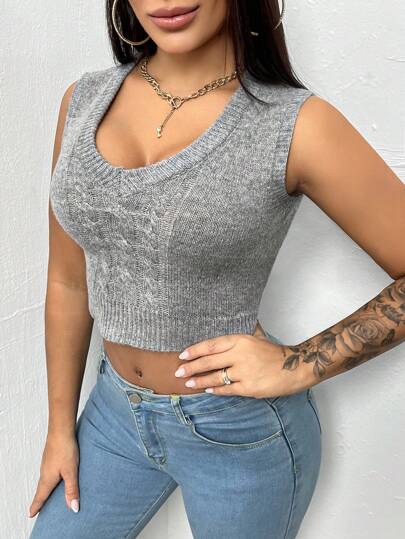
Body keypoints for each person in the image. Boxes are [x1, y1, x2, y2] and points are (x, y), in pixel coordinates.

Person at [28, 0, 405, 537]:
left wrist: (299, 365)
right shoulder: (83, 100)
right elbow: (68, 281)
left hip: (238, 431)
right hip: (114, 414)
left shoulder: (294, 123)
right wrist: (59, 429)